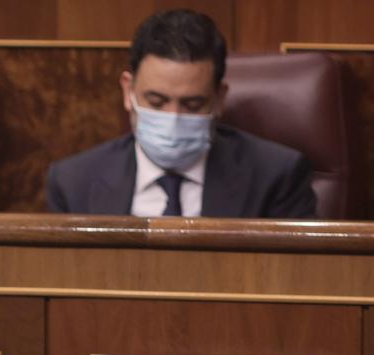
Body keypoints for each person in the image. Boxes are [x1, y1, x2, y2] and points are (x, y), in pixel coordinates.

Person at [46, 9, 316, 218]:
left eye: (192, 104)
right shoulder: (73, 182)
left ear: (219, 99)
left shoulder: (276, 176)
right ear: (128, 91)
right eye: (156, 101)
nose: (173, 117)